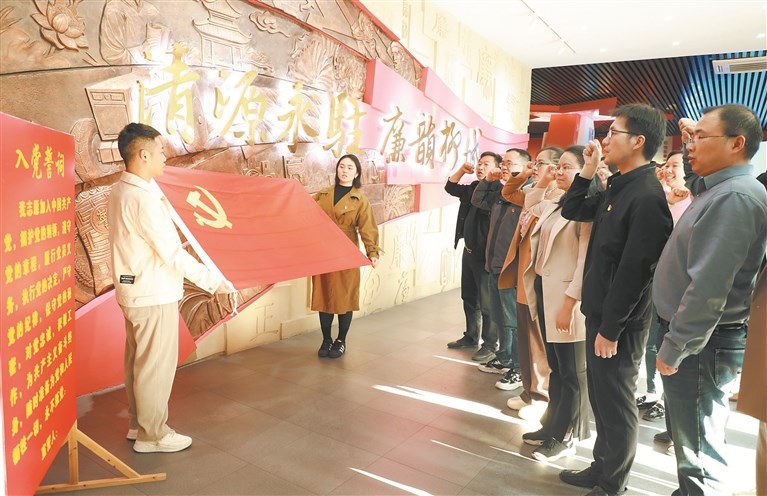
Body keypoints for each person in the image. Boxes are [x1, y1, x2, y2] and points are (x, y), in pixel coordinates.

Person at [558, 103, 673, 496]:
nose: (605, 140)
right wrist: (588, 170)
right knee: (601, 398)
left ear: (638, 141)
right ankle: (600, 467)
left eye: (613, 133)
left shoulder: (647, 196)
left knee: (616, 403)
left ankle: (612, 484)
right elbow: (574, 209)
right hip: (601, 312)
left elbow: (635, 273)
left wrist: (610, 328)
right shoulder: (620, 184)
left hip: (619, 324)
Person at [654, 105, 767, 495]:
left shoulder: (735, 196)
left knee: (700, 451)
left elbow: (709, 288)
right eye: (691, 136)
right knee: (692, 443)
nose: (690, 145)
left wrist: (676, 345)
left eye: (701, 137)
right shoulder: (718, 189)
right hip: (698, 338)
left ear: (737, 144)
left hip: (702, 342)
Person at [108, 122, 234, 453]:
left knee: (138, 362)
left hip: (134, 290)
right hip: (153, 292)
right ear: (143, 154)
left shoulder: (121, 190)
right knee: (154, 368)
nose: (165, 157)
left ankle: (139, 424)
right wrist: (215, 282)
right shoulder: (143, 199)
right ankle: (153, 435)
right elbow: (172, 253)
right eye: (161, 151)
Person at [520, 146, 597, 462]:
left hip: (568, 299)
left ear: (585, 171)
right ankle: (551, 424)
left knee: (572, 373)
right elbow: (531, 206)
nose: (559, 172)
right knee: (557, 366)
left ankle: (567, 436)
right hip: (546, 291)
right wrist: (543, 179)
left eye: (566, 167)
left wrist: (570, 304)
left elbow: (584, 261)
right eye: (558, 166)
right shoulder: (559, 203)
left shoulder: (586, 208)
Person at [499, 147, 564, 420]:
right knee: (526, 338)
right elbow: (508, 192)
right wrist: (526, 174)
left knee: (537, 341)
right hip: (523, 274)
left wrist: (544, 181)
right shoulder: (534, 191)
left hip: (539, 278)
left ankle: (541, 396)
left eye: (542, 163)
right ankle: (528, 391)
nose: (536, 168)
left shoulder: (560, 196)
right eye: (535, 163)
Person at [312, 154, 381, 359]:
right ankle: (326, 339)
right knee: (323, 295)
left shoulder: (359, 200)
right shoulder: (322, 194)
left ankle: (341, 340)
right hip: (322, 251)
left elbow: (368, 228)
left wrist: (372, 252)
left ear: (356, 173)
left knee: (345, 297)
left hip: (346, 252)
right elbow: (306, 216)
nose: (345, 170)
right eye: (342, 166)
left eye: (350, 168)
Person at [470, 149, 529, 384]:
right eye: (502, 162)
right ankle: (505, 358)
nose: (503, 166)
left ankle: (518, 367)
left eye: (509, 163)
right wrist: (487, 180)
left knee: (512, 322)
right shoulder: (500, 192)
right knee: (500, 318)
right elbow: (477, 200)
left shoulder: (526, 194)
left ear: (525, 166)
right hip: (493, 265)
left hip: (510, 270)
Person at [445, 153, 498, 362]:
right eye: (479, 163)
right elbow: (450, 187)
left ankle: (490, 345)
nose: (480, 167)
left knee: (487, 304)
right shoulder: (473, 187)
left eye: (486, 164)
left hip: (485, 257)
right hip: (468, 252)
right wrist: (461, 170)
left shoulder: (499, 191)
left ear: (497, 168)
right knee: (469, 297)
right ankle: (471, 336)